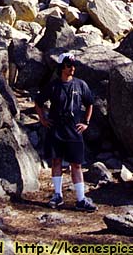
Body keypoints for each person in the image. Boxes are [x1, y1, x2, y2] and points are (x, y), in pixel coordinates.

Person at [35, 53, 97, 211]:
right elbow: (38, 102)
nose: (72, 68)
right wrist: (42, 119)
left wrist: (86, 122)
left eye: (74, 65)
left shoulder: (81, 85)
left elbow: (90, 103)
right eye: (69, 65)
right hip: (56, 130)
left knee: (76, 165)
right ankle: (57, 195)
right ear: (62, 67)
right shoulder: (54, 86)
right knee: (56, 161)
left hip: (74, 131)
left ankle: (81, 199)